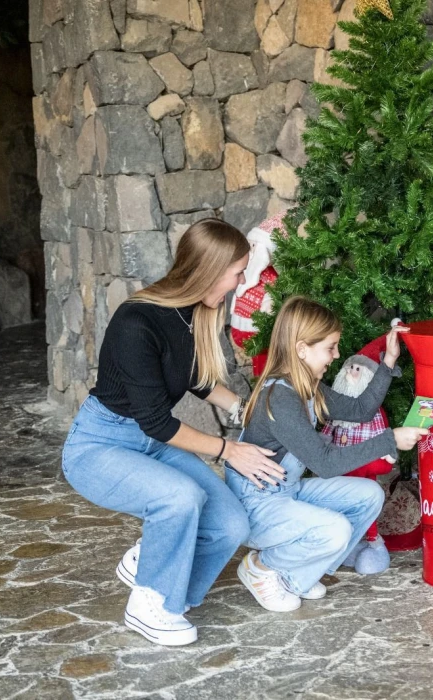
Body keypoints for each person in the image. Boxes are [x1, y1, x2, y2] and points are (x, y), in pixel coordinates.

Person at [61, 219, 286, 646]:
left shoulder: (193, 314)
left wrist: (244, 409)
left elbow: (195, 377)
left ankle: (157, 570)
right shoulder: (137, 323)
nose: (241, 282)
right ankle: (150, 605)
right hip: (101, 444)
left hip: (150, 441)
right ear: (209, 270)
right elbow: (159, 423)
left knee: (231, 524)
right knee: (179, 499)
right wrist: (228, 450)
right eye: (237, 272)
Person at [227, 296, 428, 612]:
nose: (336, 356)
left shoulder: (308, 387)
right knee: (336, 530)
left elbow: (360, 410)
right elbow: (324, 463)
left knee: (369, 495)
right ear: (302, 349)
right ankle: (262, 567)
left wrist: (388, 362)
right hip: (258, 505)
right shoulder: (280, 398)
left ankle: (294, 577)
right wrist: (389, 440)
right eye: (330, 347)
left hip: (286, 492)